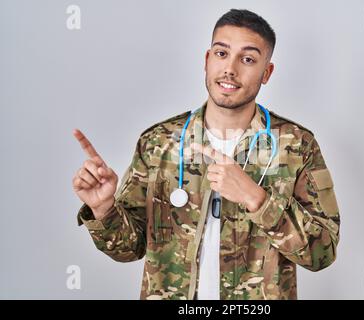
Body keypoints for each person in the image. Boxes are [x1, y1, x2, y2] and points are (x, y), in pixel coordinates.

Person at [72, 9, 340, 300]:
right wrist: (104, 209)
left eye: (248, 59)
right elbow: (129, 249)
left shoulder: (296, 145)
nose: (231, 69)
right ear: (207, 60)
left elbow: (322, 253)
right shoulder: (159, 143)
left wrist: (257, 199)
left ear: (267, 73)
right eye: (221, 54)